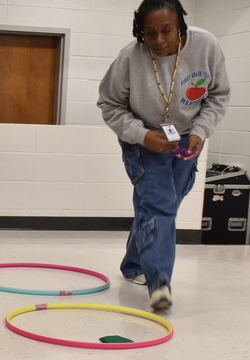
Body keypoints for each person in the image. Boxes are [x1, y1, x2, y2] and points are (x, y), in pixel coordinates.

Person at [97, 0, 230, 310]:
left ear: (180, 25)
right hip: (142, 138)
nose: (158, 40)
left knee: (165, 203)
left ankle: (133, 263)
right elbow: (109, 105)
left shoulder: (207, 46)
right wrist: (143, 136)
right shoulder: (130, 57)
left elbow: (218, 95)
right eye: (149, 33)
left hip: (186, 137)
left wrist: (199, 132)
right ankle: (159, 284)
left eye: (166, 31)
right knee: (160, 207)